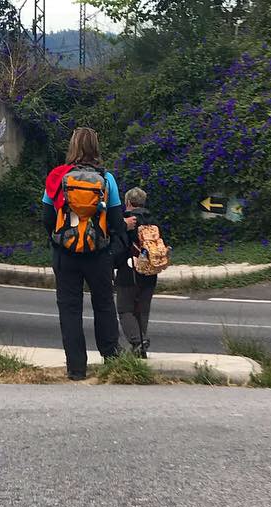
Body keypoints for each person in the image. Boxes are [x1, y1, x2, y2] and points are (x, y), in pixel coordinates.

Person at [42, 128, 125, 380]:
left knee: (70, 309)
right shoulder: (106, 179)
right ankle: (112, 359)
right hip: (98, 254)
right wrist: (111, 248)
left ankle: (76, 369)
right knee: (104, 305)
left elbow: (47, 218)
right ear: (96, 148)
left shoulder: (58, 177)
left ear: (72, 147)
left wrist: (59, 241)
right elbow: (117, 221)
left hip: (65, 255)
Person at [114, 186, 166, 358]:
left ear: (128, 202)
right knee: (142, 310)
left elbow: (119, 248)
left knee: (125, 309)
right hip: (151, 271)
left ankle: (137, 341)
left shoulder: (126, 221)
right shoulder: (154, 221)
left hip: (129, 270)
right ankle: (140, 349)